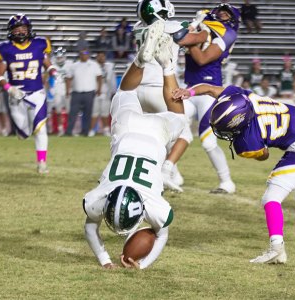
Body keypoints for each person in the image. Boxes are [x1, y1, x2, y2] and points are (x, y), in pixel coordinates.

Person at [172, 84, 295, 264]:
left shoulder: (246, 140)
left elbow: (264, 156)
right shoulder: (243, 96)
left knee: (271, 198)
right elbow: (210, 88)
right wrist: (190, 92)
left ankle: (277, 249)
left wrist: (190, 91)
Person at [83, 22, 191, 269]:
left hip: (152, 137)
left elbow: (91, 228)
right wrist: (138, 264)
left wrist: (108, 261)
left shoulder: (101, 200)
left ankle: (156, 63)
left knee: (177, 119)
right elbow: (161, 234)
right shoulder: (148, 205)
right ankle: (162, 64)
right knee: (125, 92)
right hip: (128, 132)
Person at [132, 0, 207, 192]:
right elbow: (192, 38)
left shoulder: (138, 28)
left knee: (158, 135)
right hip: (161, 87)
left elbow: (176, 33)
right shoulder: (170, 26)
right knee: (185, 133)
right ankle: (166, 170)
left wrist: (193, 23)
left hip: (139, 90)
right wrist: (205, 29)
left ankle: (161, 173)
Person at [181, 2, 241, 193]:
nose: (222, 14)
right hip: (189, 88)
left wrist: (188, 38)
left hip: (208, 91)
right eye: (220, 11)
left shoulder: (228, 34)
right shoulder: (205, 28)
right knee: (172, 129)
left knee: (208, 141)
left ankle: (226, 182)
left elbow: (202, 59)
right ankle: (171, 174)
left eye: (226, 14)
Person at [0, 14, 57, 173]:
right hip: (16, 95)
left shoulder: (40, 44)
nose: (21, 31)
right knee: (23, 133)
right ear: (11, 31)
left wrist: (53, 70)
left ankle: (42, 162)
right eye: (17, 29)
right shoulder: (4, 48)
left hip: (37, 93)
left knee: (40, 129)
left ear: (29, 29)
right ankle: (22, 131)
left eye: (23, 28)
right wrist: (9, 88)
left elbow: (47, 63)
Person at [65, 49, 102, 136]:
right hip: (76, 92)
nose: (84, 55)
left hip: (89, 92)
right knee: (73, 113)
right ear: (80, 55)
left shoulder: (94, 65)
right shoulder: (74, 65)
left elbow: (99, 77)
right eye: (82, 54)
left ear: (88, 55)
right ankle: (69, 131)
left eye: (86, 54)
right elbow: (68, 78)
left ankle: (85, 131)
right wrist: (67, 90)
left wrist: (99, 89)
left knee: (87, 113)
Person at [88, 51, 116, 137]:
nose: (101, 58)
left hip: (106, 92)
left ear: (105, 57)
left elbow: (112, 80)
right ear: (96, 58)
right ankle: (92, 130)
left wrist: (113, 92)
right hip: (95, 92)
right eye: (99, 56)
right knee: (94, 112)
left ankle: (106, 129)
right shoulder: (92, 67)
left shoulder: (109, 67)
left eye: (102, 56)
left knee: (105, 113)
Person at [47, 47, 71, 136]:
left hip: (67, 90)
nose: (59, 59)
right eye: (58, 58)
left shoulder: (69, 64)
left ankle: (69, 129)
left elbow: (71, 78)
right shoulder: (52, 64)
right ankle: (60, 129)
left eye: (61, 57)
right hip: (56, 90)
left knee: (69, 111)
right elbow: (47, 78)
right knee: (58, 111)